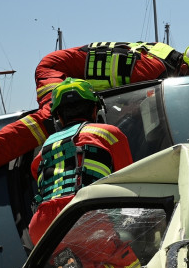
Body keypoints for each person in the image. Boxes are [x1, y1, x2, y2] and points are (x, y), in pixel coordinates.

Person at [0, 42, 189, 192]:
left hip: (70, 73)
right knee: (53, 117)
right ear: (185, 67)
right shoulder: (150, 70)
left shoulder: (159, 58)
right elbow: (128, 101)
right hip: (56, 71)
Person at [29, 77, 133, 245]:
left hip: (41, 228)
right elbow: (130, 183)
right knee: (126, 267)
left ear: (59, 119)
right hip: (87, 218)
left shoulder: (43, 151)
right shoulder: (109, 134)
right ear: (95, 110)